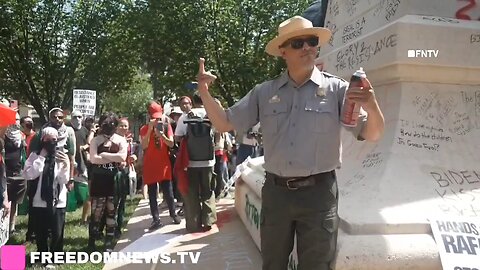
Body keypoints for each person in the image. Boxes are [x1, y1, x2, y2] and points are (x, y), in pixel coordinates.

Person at [196, 16, 385, 270]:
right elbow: (223, 123)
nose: (307, 47)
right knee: (273, 264)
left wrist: (371, 105)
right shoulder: (264, 92)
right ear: (283, 51)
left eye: (311, 41)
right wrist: (204, 91)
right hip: (277, 194)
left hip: (319, 195)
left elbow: (371, 134)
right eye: (298, 43)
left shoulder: (337, 90)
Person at [22, 127, 70, 264]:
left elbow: (64, 180)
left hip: (58, 200)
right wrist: (41, 157)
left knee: (57, 232)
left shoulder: (61, 156)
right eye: (47, 139)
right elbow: (29, 174)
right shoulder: (34, 155)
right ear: (42, 140)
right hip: (39, 200)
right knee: (41, 232)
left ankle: (56, 256)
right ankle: (43, 257)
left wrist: (65, 166)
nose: (50, 142)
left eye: (54, 140)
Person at [175, 93, 217, 233]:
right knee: (208, 191)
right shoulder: (210, 114)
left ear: (193, 102)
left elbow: (178, 137)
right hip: (209, 161)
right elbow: (218, 132)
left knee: (192, 192)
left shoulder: (185, 116)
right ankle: (208, 221)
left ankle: (193, 224)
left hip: (191, 161)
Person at [88, 112, 127, 251]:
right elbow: (93, 159)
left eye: (111, 124)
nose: (108, 127)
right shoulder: (96, 140)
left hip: (114, 179)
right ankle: (92, 240)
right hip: (99, 179)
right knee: (96, 212)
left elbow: (122, 157)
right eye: (106, 124)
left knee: (112, 211)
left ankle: (109, 241)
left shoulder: (121, 140)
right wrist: (112, 157)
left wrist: (104, 155)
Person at [140, 101, 180, 231]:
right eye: (154, 117)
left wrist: (161, 135)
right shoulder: (144, 129)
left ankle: (173, 214)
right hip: (150, 163)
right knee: (152, 192)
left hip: (164, 164)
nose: (157, 120)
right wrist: (150, 129)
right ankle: (156, 219)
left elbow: (171, 144)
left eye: (158, 117)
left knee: (168, 191)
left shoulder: (166, 126)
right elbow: (144, 145)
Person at [4, 114, 27, 235]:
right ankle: (3, 230)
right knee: (4, 204)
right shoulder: (3, 136)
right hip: (4, 174)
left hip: (18, 173)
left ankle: (11, 228)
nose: (15, 122)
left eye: (17, 119)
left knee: (14, 203)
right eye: (13, 119)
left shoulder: (21, 137)